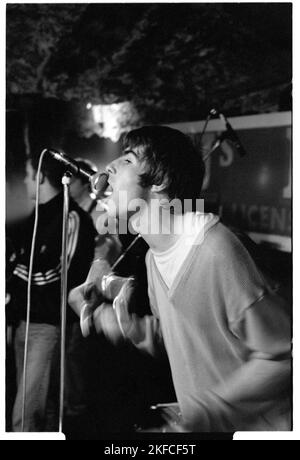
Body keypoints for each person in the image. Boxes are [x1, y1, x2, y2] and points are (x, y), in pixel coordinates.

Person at [71, 125, 291, 432]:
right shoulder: (152, 258)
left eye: (128, 159)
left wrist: (206, 410)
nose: (109, 167)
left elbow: (282, 356)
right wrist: (130, 328)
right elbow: (183, 333)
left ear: (159, 181)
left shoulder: (217, 251)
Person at [10, 154, 96, 431]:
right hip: (24, 320)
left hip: (48, 324)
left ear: (43, 178)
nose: (24, 180)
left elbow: (61, 275)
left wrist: (16, 274)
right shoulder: (36, 216)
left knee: (25, 412)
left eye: (28, 174)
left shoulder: (70, 217)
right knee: (40, 407)